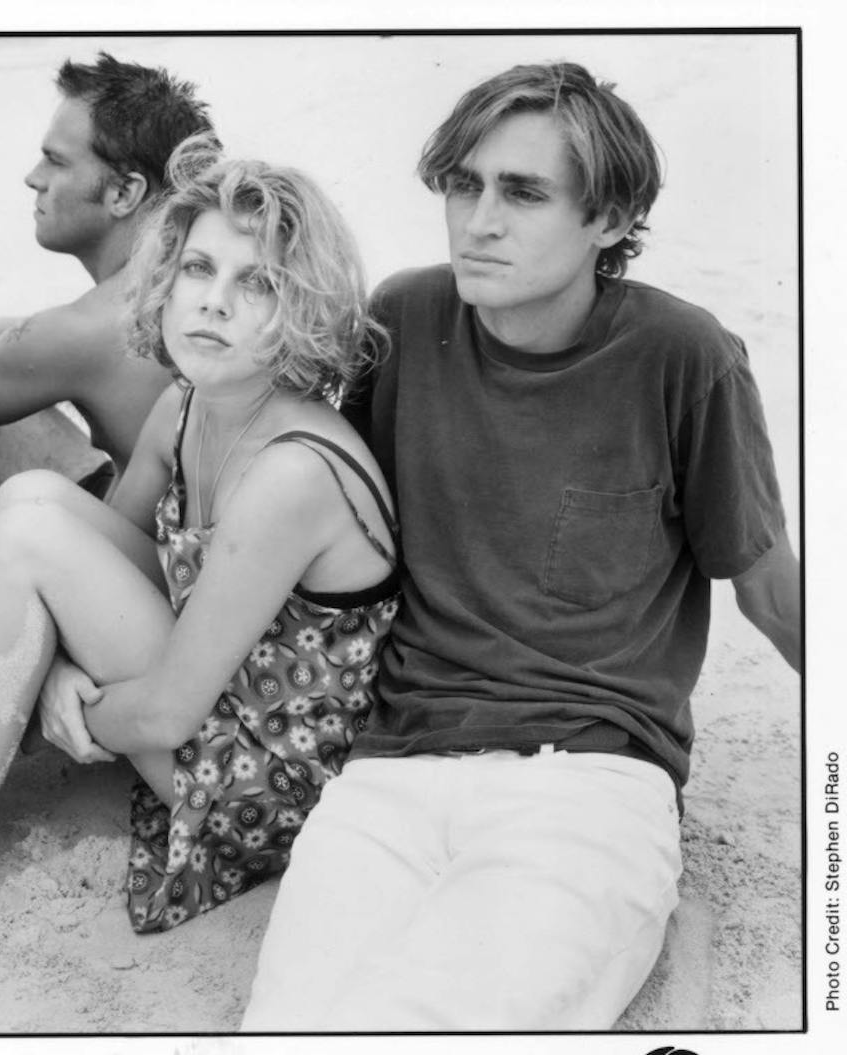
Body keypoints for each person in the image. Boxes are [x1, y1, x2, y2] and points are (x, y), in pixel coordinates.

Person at [241, 62, 802, 1032]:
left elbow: (765, 590)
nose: (477, 219)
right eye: (462, 184)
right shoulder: (405, 320)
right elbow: (325, 525)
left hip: (586, 777)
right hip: (388, 770)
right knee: (287, 1028)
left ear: (610, 216)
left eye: (521, 192)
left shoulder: (685, 358)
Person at [0, 139, 401, 939]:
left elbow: (169, 713)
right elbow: (116, 554)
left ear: (303, 311)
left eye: (258, 284)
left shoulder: (293, 472)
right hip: (218, 702)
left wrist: (56, 700)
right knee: (33, 500)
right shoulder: (187, 406)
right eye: (198, 269)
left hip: (270, 785)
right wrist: (56, 659)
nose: (213, 302)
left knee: (34, 522)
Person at [0, 51, 215, 612]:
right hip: (175, 555)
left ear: (123, 193)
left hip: (154, 610)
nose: (33, 178)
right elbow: (25, 344)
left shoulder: (88, 329)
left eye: (55, 161)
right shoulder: (191, 281)